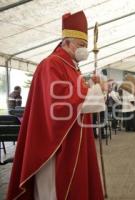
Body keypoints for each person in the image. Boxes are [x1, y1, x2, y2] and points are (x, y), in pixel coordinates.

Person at [7, 11, 105, 200]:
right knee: (54, 190)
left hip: (72, 136)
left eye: (85, 45)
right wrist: (97, 91)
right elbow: (61, 106)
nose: (83, 49)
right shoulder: (52, 64)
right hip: (54, 143)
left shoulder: (71, 66)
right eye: (81, 45)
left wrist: (93, 87)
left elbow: (77, 95)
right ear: (66, 42)